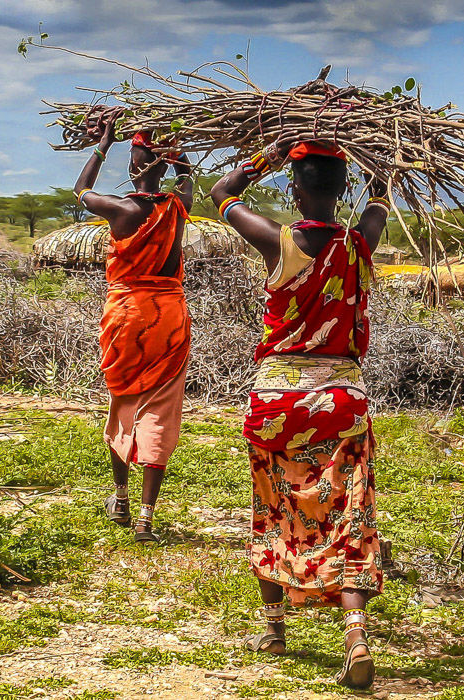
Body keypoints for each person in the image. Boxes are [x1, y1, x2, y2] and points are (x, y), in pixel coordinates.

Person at [210, 140, 390, 689]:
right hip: (339, 401)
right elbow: (381, 199)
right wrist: (380, 171)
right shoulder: (361, 243)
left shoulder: (278, 240)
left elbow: (220, 194)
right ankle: (355, 632)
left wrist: (264, 157)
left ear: (294, 188)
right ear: (343, 190)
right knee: (350, 513)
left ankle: (273, 629)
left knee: (273, 503)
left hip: (277, 402)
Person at [74, 115, 194, 542]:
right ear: (162, 165)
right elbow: (188, 182)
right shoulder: (177, 209)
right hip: (169, 317)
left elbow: (81, 190)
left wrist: (102, 144)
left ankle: (120, 498)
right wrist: (177, 157)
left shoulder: (120, 208)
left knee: (124, 400)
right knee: (161, 408)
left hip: (125, 315)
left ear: (132, 166)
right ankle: (146, 516)